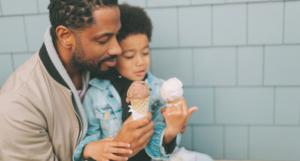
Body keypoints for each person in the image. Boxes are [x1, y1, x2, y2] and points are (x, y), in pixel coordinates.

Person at [0, 0, 155, 160]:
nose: (117, 49)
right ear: (65, 36)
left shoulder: (103, 64)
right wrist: (120, 147)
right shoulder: (19, 106)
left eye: (117, 35)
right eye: (103, 40)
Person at [75, 4, 213, 161]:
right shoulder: (96, 93)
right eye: (129, 56)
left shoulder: (159, 90)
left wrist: (171, 131)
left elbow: (159, 149)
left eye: (146, 52)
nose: (141, 62)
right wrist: (88, 148)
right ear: (114, 56)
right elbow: (90, 135)